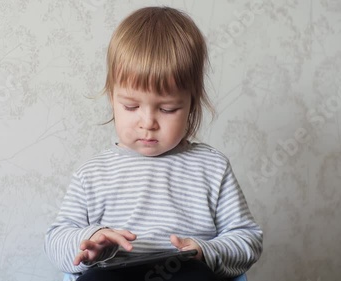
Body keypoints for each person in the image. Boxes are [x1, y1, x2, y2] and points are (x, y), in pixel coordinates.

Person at [44, 6, 263, 281]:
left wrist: (205, 251)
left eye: (168, 109)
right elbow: (55, 240)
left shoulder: (212, 168)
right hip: (114, 273)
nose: (148, 122)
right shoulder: (93, 174)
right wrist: (90, 241)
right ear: (112, 98)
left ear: (191, 105)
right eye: (131, 105)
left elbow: (247, 239)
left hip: (185, 271)